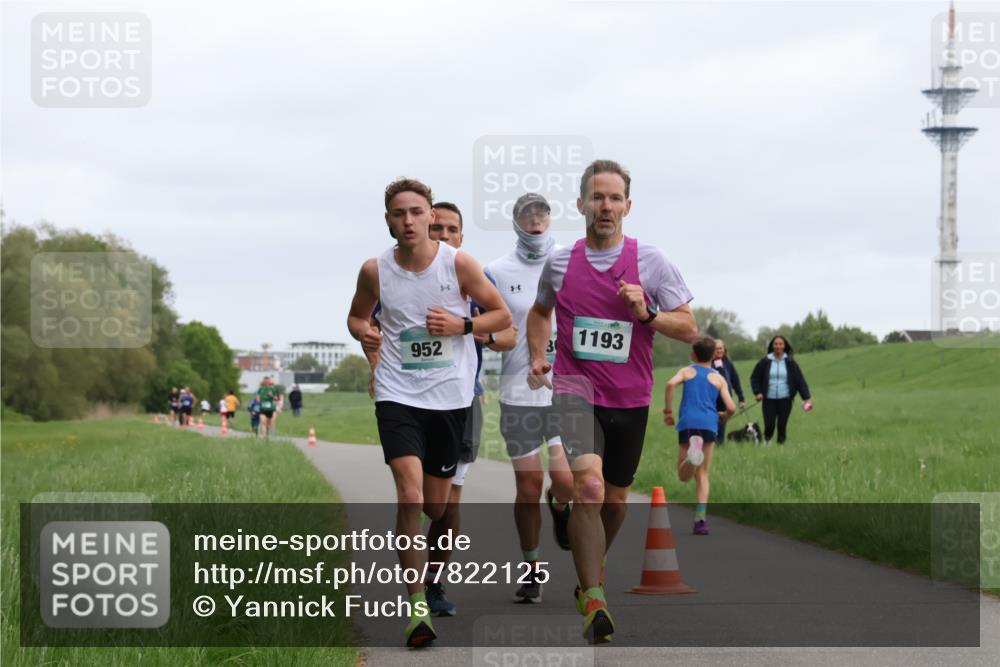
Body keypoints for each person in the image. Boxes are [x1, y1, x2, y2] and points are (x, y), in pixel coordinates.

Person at [526, 159, 697, 643]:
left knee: (616, 500)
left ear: (628, 205)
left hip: (630, 397)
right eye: (596, 197)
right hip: (575, 390)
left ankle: (589, 563)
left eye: (614, 198)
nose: (605, 206)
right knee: (590, 489)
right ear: (581, 204)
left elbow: (688, 327)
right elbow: (539, 314)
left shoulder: (651, 262)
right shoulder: (560, 262)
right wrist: (539, 355)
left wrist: (646, 312)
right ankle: (595, 595)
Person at [346, 178, 511, 647]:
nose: (409, 221)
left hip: (451, 398)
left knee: (436, 506)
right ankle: (417, 607)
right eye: (399, 214)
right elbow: (357, 315)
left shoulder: (457, 264)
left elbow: (501, 316)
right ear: (388, 221)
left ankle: (425, 584)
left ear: (430, 214)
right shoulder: (374, 271)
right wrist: (366, 333)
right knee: (410, 495)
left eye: (417, 212)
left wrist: (462, 324)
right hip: (398, 394)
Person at [421, 200, 516, 617]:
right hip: (409, 399)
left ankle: (434, 585)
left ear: (461, 237)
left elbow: (509, 332)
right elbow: (370, 323)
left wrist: (478, 334)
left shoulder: (475, 276)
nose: (443, 236)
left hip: (463, 398)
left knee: (448, 502)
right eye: (436, 228)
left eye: (451, 230)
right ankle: (412, 586)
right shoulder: (400, 273)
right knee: (414, 497)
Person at [486, 192, 574, 605]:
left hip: (563, 391)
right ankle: (532, 569)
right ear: (517, 222)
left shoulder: (571, 261)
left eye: (542, 214)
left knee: (565, 482)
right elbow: (490, 324)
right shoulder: (498, 271)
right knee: (528, 484)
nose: (536, 221)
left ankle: (561, 507)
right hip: (518, 391)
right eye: (527, 215)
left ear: (551, 220)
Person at [663, 335, 736, 535]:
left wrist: (668, 412)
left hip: (688, 423)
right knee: (702, 474)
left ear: (693, 355)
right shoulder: (718, 378)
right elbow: (731, 407)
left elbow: (670, 385)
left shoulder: (687, 371)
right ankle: (701, 520)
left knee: (683, 475)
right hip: (709, 425)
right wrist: (724, 416)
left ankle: (692, 456)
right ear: (714, 355)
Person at [750, 335, 813, 445]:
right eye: (776, 344)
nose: (778, 346)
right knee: (769, 424)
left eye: (780, 344)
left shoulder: (790, 362)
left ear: (784, 346)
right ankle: (767, 442)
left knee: (782, 424)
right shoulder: (765, 361)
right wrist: (758, 392)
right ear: (772, 346)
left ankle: (781, 446)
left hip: (785, 399)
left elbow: (800, 380)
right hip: (769, 399)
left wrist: (806, 398)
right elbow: (754, 378)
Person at [711, 339, 745, 445]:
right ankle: (710, 444)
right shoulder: (708, 363)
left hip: (725, 400)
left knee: (721, 425)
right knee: (711, 425)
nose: (719, 350)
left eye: (721, 348)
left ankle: (719, 445)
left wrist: (741, 398)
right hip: (711, 400)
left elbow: (735, 380)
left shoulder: (727, 363)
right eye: (716, 349)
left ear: (724, 349)